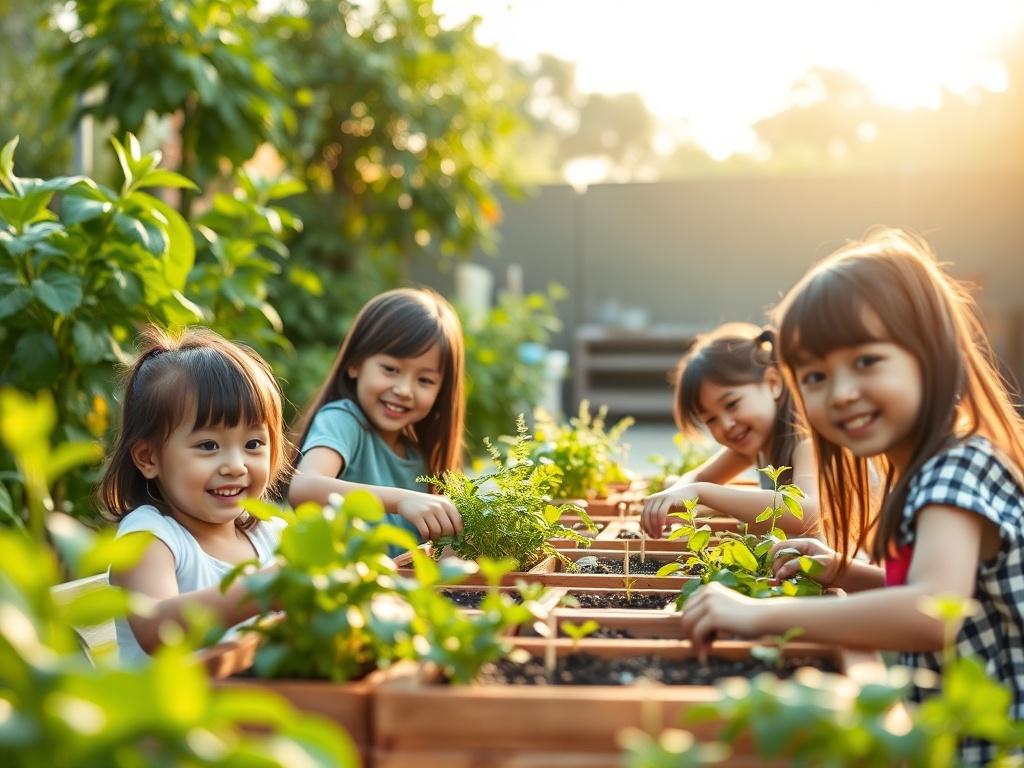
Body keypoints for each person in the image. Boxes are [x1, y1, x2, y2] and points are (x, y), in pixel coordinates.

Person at [679, 229, 1024, 765]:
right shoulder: (932, 465)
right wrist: (843, 570)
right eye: (815, 376)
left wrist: (754, 615)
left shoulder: (954, 471)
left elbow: (933, 611)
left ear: (928, 351)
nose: (840, 393)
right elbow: (947, 587)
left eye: (866, 361)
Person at [99, 327, 288, 663]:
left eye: (253, 444)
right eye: (208, 445)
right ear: (149, 458)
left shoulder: (269, 534)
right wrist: (263, 589)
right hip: (165, 714)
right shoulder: (149, 539)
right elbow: (158, 629)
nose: (235, 465)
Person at [288, 288, 465, 547]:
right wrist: (401, 501)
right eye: (391, 369)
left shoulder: (419, 459)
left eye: (425, 380)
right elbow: (304, 488)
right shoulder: (343, 421)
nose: (404, 390)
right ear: (355, 363)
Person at [641, 322, 820, 537]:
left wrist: (701, 492)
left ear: (773, 383)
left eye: (732, 404)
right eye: (711, 420)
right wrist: (675, 493)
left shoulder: (805, 441)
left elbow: (809, 514)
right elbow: (699, 476)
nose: (726, 424)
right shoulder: (754, 444)